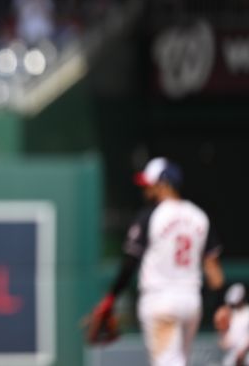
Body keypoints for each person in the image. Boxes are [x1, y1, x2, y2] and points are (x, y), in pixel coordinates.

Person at [89, 156, 224, 365]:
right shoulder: (199, 216)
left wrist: (111, 297)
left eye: (149, 184)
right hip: (190, 302)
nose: (146, 189)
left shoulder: (149, 216)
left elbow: (130, 262)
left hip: (160, 300)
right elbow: (214, 271)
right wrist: (221, 305)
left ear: (164, 183)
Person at [214, 283, 249, 366]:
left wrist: (243, 351)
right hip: (232, 355)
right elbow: (224, 339)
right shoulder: (228, 314)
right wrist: (223, 339)